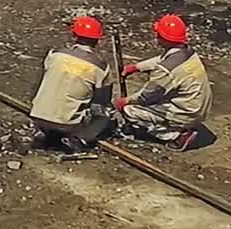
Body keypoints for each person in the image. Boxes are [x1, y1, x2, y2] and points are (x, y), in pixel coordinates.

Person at [116, 14, 212, 147]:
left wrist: (125, 101)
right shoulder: (188, 53)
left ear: (164, 38)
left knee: (130, 110)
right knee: (161, 97)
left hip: (187, 113)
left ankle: (177, 136)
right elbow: (161, 60)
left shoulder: (166, 70)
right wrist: (136, 67)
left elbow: (146, 96)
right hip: (198, 108)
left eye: (158, 34)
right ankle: (182, 124)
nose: (156, 37)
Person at [29, 16, 115, 151]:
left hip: (37, 116)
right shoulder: (100, 67)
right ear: (98, 40)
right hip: (68, 125)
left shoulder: (54, 55)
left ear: (74, 35)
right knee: (105, 113)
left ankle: (43, 133)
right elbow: (103, 99)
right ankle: (79, 139)